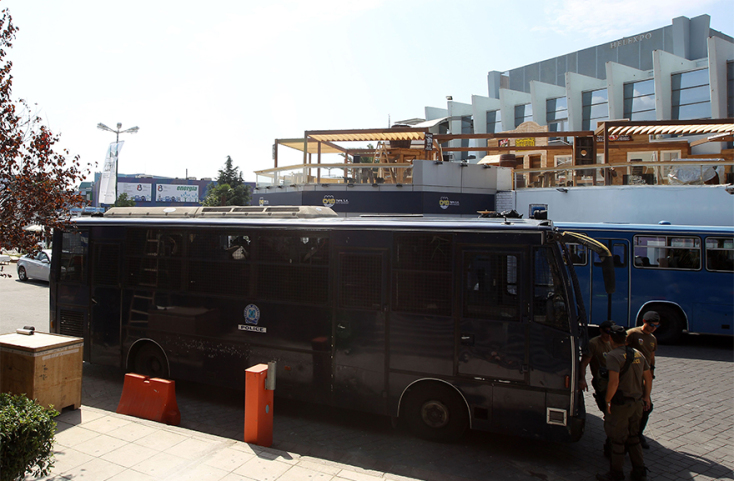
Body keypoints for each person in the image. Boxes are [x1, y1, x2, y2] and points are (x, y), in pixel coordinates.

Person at [597, 325, 652, 481]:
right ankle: (639, 472)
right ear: (625, 339)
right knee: (634, 437)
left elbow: (614, 382)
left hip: (622, 405)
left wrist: (607, 400)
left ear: (611, 339)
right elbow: (648, 378)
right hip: (637, 403)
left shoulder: (613, 356)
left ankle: (616, 473)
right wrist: (646, 397)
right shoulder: (638, 353)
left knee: (618, 440)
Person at [580, 320, 614, 456]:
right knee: (610, 415)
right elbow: (584, 363)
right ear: (601, 330)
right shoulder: (594, 344)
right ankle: (611, 445)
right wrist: (582, 379)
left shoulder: (615, 342)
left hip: (615, 383)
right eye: (607, 332)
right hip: (603, 384)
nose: (609, 335)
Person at [626, 311, 659, 449]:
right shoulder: (633, 333)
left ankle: (638, 433)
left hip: (644, 376)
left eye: (656, 326)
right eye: (651, 325)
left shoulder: (652, 338)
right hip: (631, 375)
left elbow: (651, 356)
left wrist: (651, 371)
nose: (653, 328)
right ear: (644, 321)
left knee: (647, 406)